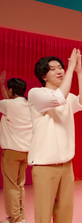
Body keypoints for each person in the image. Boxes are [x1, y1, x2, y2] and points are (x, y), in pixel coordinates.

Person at [28, 48, 82, 223]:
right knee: (44, 216)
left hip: (66, 164)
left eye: (60, 67)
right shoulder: (36, 94)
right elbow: (57, 98)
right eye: (53, 68)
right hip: (45, 166)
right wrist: (70, 68)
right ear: (43, 76)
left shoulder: (68, 97)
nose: (59, 70)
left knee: (65, 213)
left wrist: (79, 71)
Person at [0, 70, 32, 223]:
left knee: (11, 186)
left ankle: (15, 218)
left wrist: (0, 85)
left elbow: (7, 104)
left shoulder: (8, 105)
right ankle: (21, 216)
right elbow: (8, 103)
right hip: (26, 152)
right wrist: (2, 86)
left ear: (11, 90)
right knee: (20, 185)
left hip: (11, 152)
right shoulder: (30, 105)